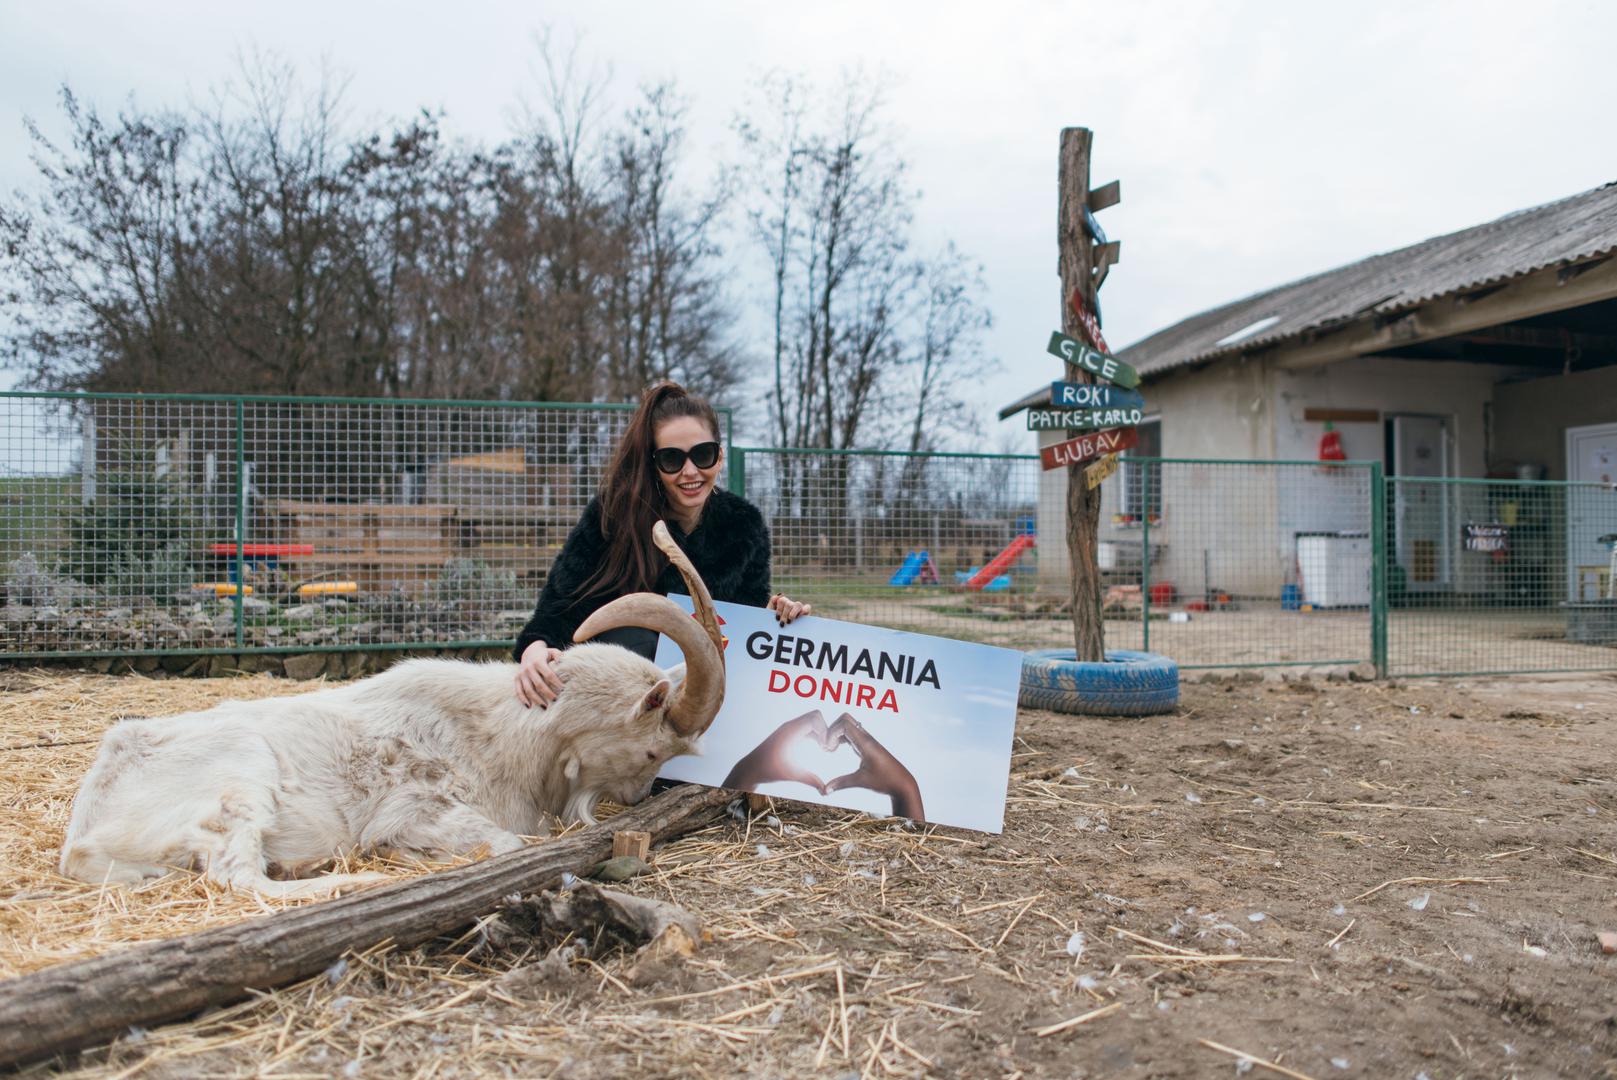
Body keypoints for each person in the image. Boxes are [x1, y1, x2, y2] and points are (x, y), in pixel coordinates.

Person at [513, 381, 812, 708]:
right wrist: (534, 651)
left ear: (720, 456)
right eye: (672, 459)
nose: (690, 471)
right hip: (619, 695)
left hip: (707, 697)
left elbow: (745, 623)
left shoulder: (745, 525)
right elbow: (557, 609)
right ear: (655, 465)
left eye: (703, 454)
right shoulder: (613, 516)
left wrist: (777, 617)